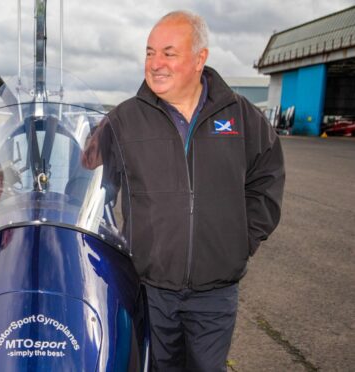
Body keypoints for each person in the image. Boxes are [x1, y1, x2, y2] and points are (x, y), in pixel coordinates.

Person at [90, 10, 285, 371]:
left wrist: (241, 239)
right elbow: (83, 171)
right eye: (149, 52)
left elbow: (267, 175)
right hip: (151, 287)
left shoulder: (241, 116)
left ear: (200, 59)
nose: (155, 63)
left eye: (168, 52)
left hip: (216, 290)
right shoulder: (123, 119)